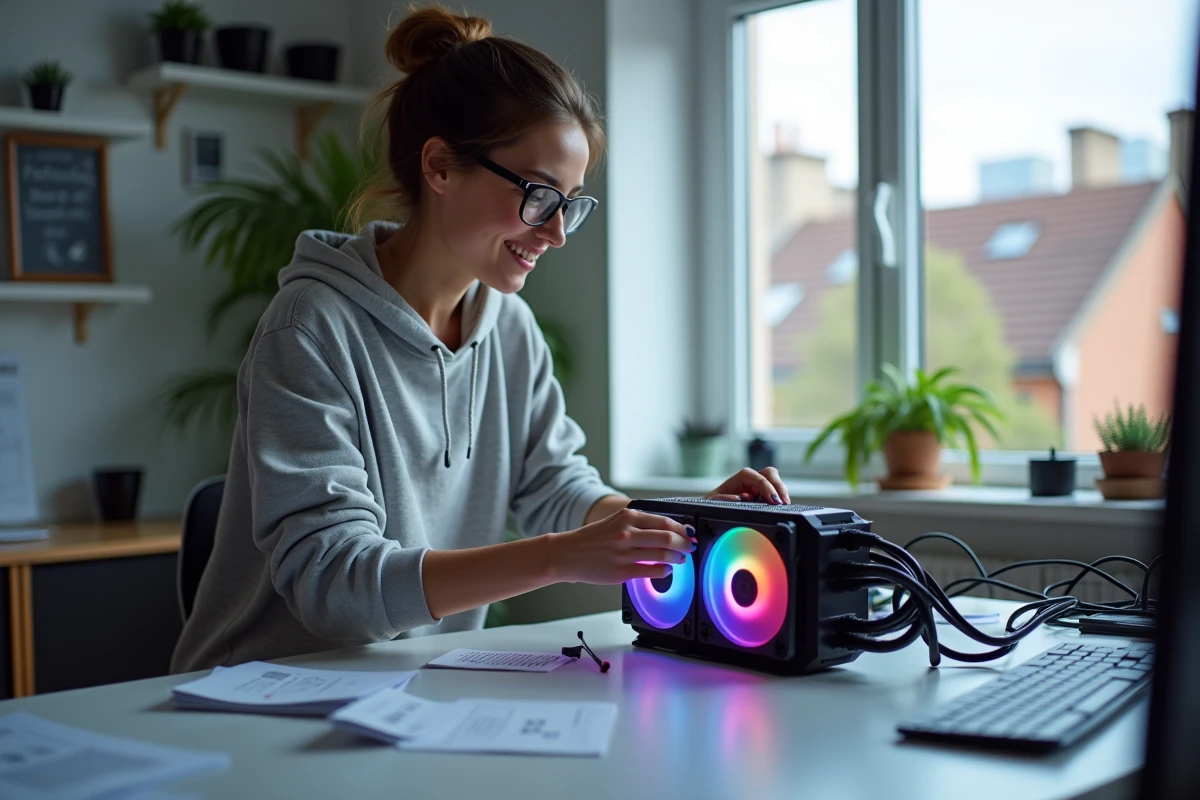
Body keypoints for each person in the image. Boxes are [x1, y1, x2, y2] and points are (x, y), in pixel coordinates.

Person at [171, 5, 791, 672]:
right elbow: (334, 588)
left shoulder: (510, 329)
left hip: (408, 694)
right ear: (439, 166)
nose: (555, 233)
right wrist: (556, 558)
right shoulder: (311, 329)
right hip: (253, 703)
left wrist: (679, 524)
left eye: (571, 204)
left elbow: (557, 489)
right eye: (539, 195)